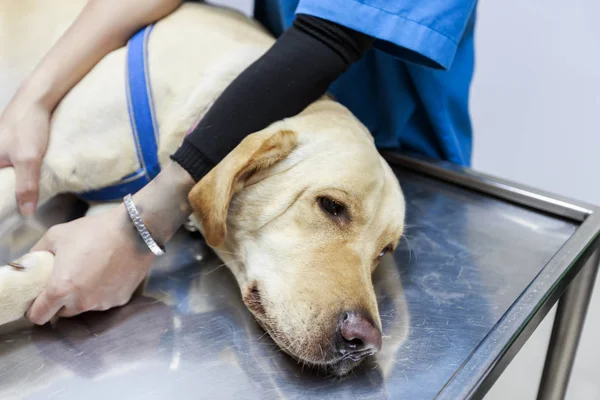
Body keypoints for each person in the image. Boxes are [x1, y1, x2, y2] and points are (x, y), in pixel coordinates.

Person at [0, 0, 477, 325]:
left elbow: (330, 36)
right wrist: (34, 98)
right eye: (331, 209)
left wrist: (141, 226)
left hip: (401, 165)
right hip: (245, 132)